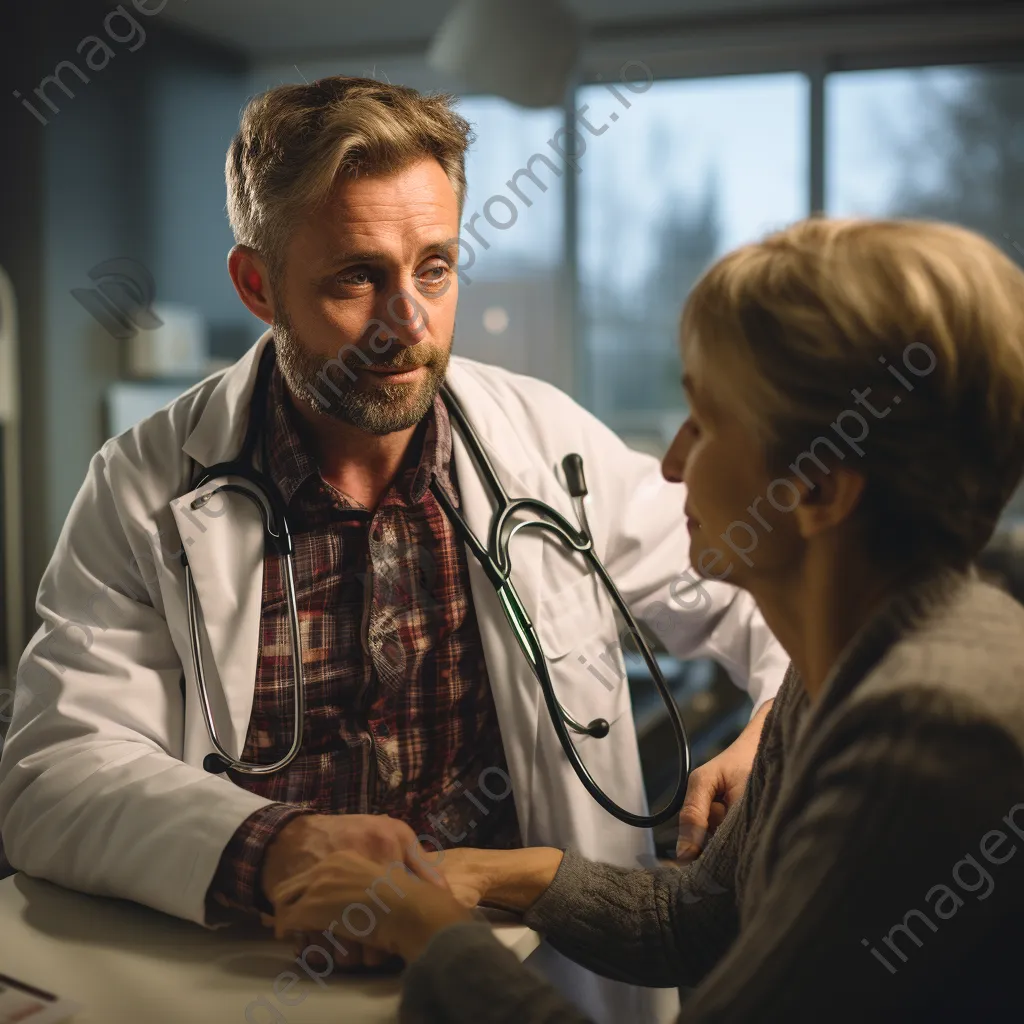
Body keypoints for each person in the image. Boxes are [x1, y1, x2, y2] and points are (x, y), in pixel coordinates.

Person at [0, 77, 788, 1024]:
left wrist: (775, 719)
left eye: (436, 268)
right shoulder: (143, 487)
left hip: (514, 981)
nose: (408, 323)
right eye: (356, 278)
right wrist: (277, 847)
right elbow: (54, 768)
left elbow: (768, 583)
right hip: (252, 981)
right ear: (257, 286)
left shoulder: (548, 448)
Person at [271, 216, 1024, 1022]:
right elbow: (696, 918)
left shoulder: (933, 729)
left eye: (703, 423)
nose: (669, 463)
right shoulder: (842, 668)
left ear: (819, 489)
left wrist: (432, 934)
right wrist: (479, 874)